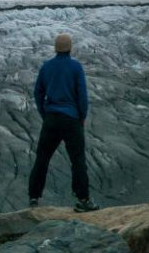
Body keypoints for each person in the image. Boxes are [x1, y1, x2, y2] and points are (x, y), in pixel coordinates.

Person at [28, 33, 99, 212]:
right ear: (70, 47)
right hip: (71, 119)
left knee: (42, 159)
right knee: (77, 160)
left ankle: (34, 198)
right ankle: (83, 200)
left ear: (55, 47)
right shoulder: (75, 67)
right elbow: (82, 96)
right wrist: (81, 117)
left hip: (51, 118)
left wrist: (45, 114)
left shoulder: (46, 66)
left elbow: (38, 93)